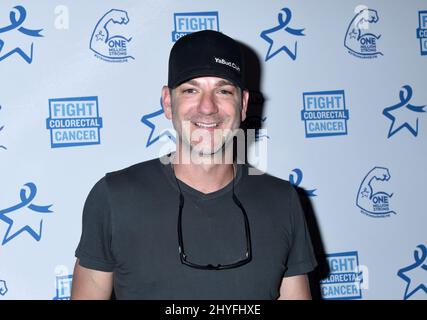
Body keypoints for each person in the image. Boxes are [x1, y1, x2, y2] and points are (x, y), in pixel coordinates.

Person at [71, 30, 317, 300]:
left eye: (223, 90)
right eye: (191, 90)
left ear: (244, 104)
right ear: (167, 102)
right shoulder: (114, 197)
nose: (208, 107)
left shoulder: (282, 201)